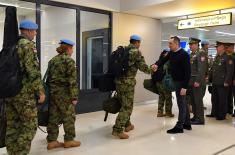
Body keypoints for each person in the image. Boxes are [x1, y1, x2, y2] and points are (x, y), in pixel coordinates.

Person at [5, 20, 45, 155]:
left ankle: (12, 152)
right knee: (30, 125)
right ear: (27, 31)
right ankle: (20, 152)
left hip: (10, 92)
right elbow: (32, 71)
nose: (35, 33)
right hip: (24, 94)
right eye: (34, 31)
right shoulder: (28, 46)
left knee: (13, 125)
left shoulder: (12, 44)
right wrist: (40, 91)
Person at [112, 35, 155, 139]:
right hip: (128, 83)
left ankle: (127, 125)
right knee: (127, 107)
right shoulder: (136, 51)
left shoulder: (123, 50)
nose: (139, 45)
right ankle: (117, 130)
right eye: (139, 43)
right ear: (137, 42)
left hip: (118, 82)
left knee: (123, 103)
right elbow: (143, 67)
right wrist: (152, 69)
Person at [46, 39, 81, 149]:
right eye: (72, 49)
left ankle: (52, 141)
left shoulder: (52, 60)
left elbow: (49, 78)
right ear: (69, 49)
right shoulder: (69, 61)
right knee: (69, 116)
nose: (72, 51)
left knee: (53, 116)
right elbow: (72, 81)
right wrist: (74, 96)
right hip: (64, 94)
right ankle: (69, 140)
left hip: (53, 93)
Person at [156, 36, 191, 134]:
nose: (169, 45)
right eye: (169, 43)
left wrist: (184, 87)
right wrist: (156, 65)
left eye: (170, 43)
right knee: (183, 103)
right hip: (176, 81)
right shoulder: (172, 53)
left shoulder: (184, 55)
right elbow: (163, 60)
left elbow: (188, 72)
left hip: (181, 83)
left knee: (181, 104)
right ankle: (187, 123)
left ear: (176, 44)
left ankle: (180, 126)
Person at [209, 41, 234, 120]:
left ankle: (221, 115)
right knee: (214, 98)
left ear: (223, 48)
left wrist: (227, 81)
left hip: (223, 82)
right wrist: (209, 78)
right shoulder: (217, 57)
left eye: (218, 47)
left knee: (222, 99)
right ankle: (214, 113)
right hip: (215, 81)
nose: (216, 48)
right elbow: (213, 69)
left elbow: (230, 71)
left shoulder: (228, 57)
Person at [188, 38, 207, 125]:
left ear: (196, 44)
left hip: (197, 82)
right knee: (193, 101)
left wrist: (198, 80)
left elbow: (201, 68)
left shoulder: (201, 53)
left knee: (198, 101)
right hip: (192, 81)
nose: (190, 46)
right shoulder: (192, 54)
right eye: (190, 44)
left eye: (192, 44)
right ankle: (195, 116)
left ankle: (200, 119)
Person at [152, 49, 174, 117]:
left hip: (158, 82)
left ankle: (160, 112)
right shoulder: (167, 62)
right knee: (168, 97)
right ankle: (168, 112)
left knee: (161, 97)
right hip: (165, 82)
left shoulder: (158, 61)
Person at [224, 42, 235, 117]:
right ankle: (228, 109)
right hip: (228, 79)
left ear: (232, 48)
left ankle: (231, 109)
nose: (227, 49)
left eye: (228, 47)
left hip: (233, 79)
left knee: (232, 95)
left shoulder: (233, 56)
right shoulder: (227, 56)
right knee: (227, 95)